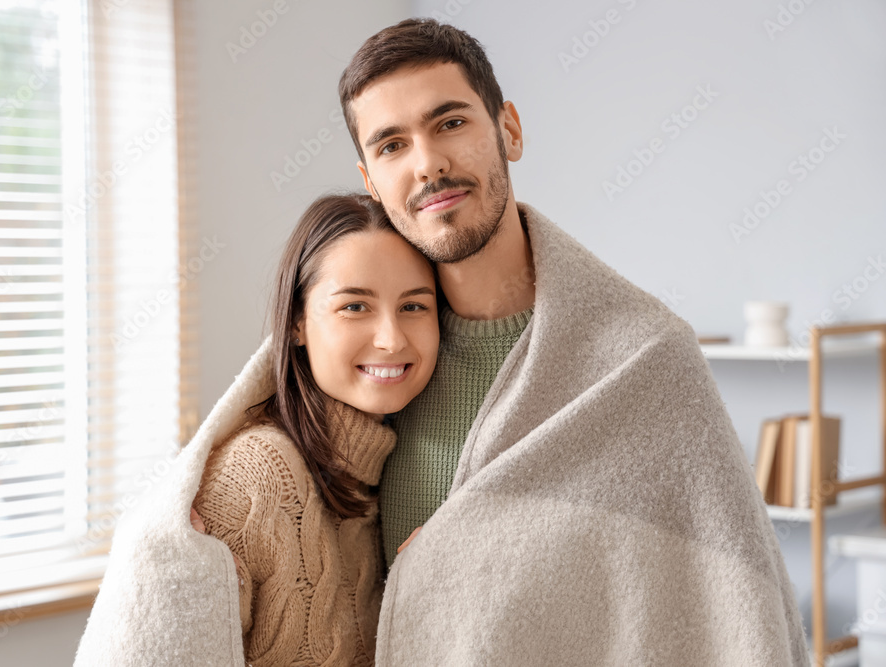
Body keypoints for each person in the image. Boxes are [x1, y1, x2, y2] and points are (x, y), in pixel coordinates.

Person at [332, 17, 810, 666]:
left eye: (450, 123)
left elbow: (733, 608)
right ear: (370, 181)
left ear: (510, 130)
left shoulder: (647, 358)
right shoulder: (373, 362)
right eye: (391, 145)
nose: (428, 163)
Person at [186, 192, 438, 666]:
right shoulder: (255, 476)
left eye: (414, 307)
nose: (391, 339)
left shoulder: (403, 475)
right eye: (355, 307)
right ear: (298, 322)